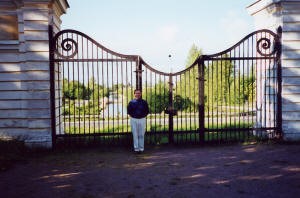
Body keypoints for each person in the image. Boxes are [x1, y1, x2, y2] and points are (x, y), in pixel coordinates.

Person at [127, 89, 149, 153]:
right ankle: (136, 149)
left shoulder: (144, 102)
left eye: (139, 93)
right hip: (134, 119)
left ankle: (141, 149)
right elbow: (129, 111)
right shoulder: (131, 102)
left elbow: (147, 111)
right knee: (135, 134)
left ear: (141, 94)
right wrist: (133, 116)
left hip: (142, 119)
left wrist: (143, 116)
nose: (137, 94)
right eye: (136, 93)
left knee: (141, 134)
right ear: (134, 94)